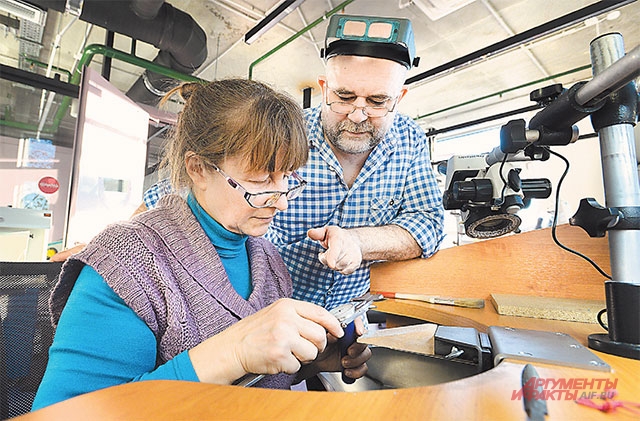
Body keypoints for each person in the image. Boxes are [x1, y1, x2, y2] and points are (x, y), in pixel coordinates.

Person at [52, 14, 445, 310]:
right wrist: (110, 245)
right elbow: (173, 195)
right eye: (344, 97)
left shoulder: (409, 138)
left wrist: (359, 241)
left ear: (400, 98)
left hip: (341, 316)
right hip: (257, 312)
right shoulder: (282, 133)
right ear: (324, 88)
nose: (358, 114)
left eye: (377, 102)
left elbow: (428, 224)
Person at [32, 78, 371, 410]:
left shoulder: (269, 261)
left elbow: (260, 382)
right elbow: (67, 414)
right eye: (260, 180)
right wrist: (232, 352)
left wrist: (314, 358)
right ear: (197, 169)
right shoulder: (129, 263)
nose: (281, 202)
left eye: (287, 178)